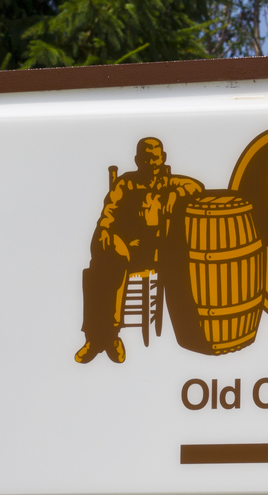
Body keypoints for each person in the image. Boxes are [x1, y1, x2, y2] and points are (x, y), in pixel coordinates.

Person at [76, 138, 203, 363]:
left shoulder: (171, 184)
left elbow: (196, 187)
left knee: (103, 268)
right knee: (99, 267)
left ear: (162, 159)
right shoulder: (126, 183)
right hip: (125, 248)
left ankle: (101, 338)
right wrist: (105, 230)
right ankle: (103, 338)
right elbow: (108, 213)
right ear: (137, 161)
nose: (151, 163)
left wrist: (176, 195)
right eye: (145, 159)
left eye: (154, 158)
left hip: (155, 253)